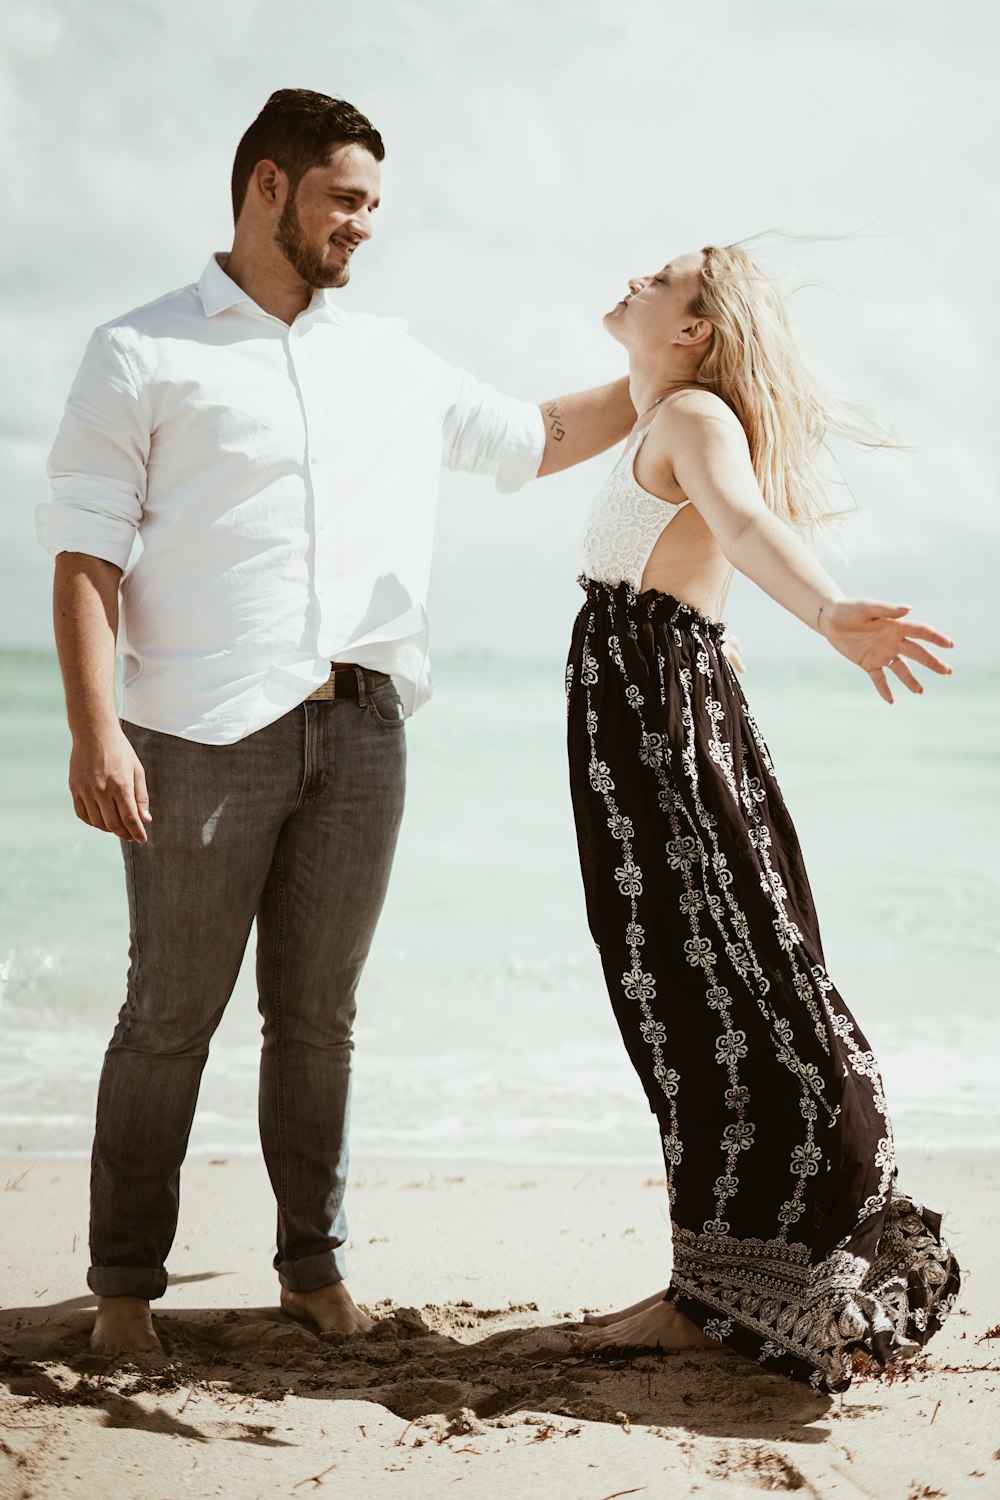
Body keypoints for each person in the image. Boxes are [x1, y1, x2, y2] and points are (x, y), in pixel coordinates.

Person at [37, 88, 635, 1356]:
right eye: (346, 200)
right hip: (200, 736)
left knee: (319, 1021)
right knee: (167, 1019)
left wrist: (677, 366)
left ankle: (313, 1272)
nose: (363, 227)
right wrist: (97, 734)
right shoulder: (141, 349)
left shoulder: (393, 358)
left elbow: (535, 436)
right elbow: (85, 557)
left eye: (372, 205)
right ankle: (125, 1290)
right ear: (268, 187)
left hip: (362, 732)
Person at [565, 244, 961, 1392]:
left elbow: (739, 525)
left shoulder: (691, 414)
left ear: (692, 331)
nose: (632, 277)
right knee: (680, 1005)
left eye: (660, 278)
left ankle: (744, 1282)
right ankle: (704, 1283)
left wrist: (829, 607)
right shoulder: (654, 407)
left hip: (661, 727)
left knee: (723, 994)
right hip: (646, 722)